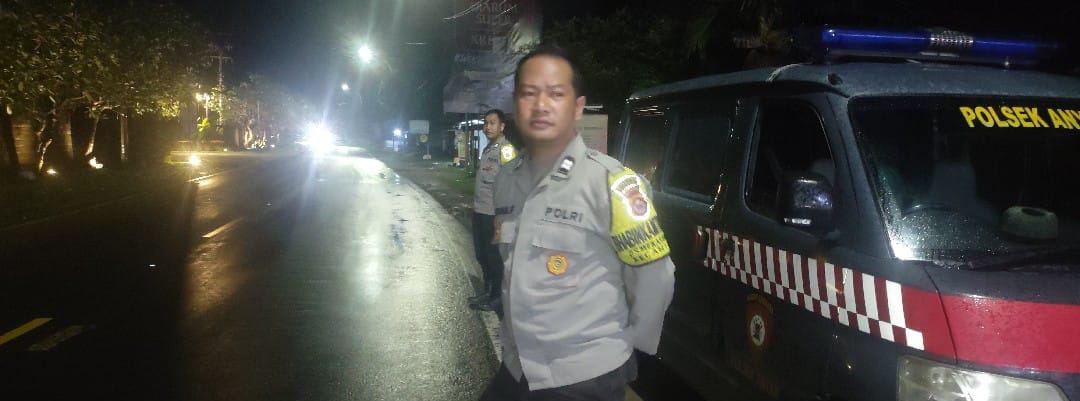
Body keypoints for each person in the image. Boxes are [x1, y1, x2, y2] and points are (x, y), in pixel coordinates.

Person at [479, 46, 675, 401]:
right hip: (518, 366)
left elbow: (655, 279)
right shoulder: (506, 179)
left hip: (585, 377)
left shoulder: (612, 183)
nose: (541, 105)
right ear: (515, 105)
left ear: (578, 107)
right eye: (529, 93)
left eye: (556, 93)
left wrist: (623, 350)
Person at [469, 109, 517, 312]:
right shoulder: (488, 149)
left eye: (492, 123)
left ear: (502, 126)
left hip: (494, 215)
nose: (487, 127)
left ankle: (497, 297)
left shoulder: (506, 151)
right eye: (486, 123)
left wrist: (502, 218)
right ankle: (488, 292)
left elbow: (511, 185)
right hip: (480, 211)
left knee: (494, 257)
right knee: (482, 255)